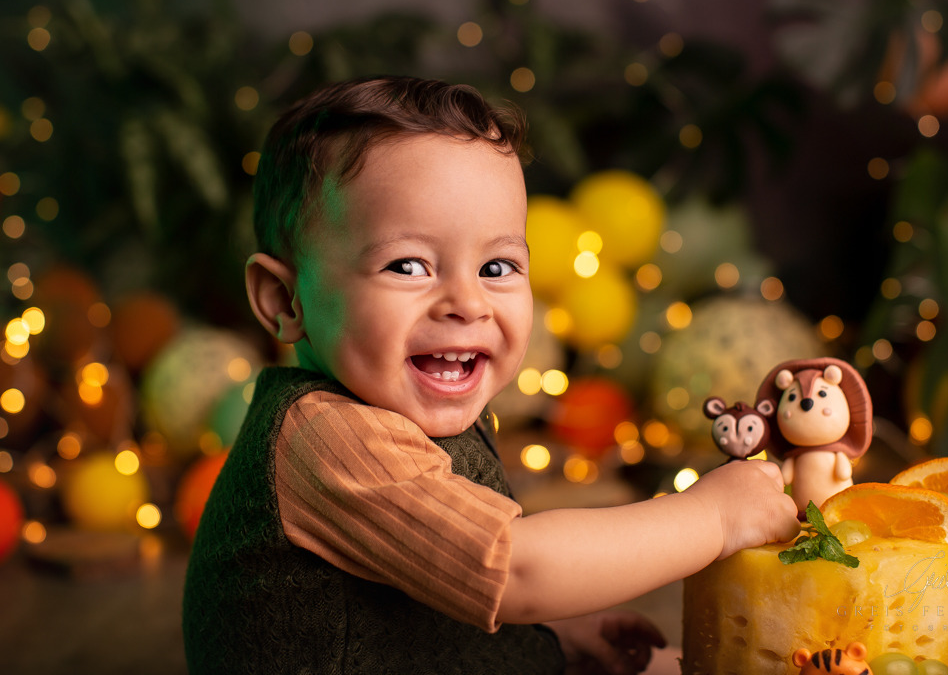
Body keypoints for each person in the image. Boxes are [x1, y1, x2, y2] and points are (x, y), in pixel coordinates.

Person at [182, 75, 801, 675]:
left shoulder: (390, 407)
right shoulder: (327, 440)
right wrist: (711, 518)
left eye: (498, 265)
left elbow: (430, 579)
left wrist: (549, 635)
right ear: (284, 301)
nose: (468, 303)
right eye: (407, 265)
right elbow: (515, 573)